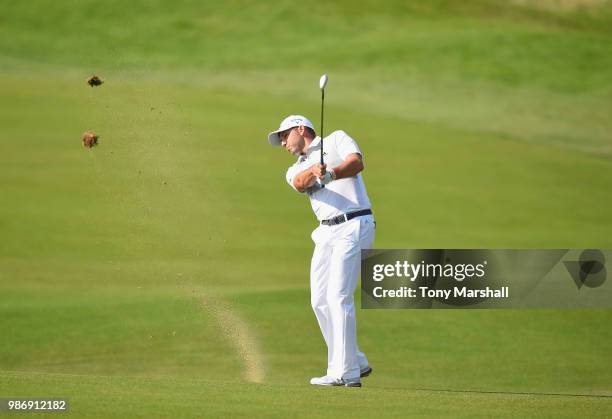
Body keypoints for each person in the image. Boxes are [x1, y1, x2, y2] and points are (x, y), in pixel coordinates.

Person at [267, 115, 375, 387]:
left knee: (338, 297)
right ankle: (355, 360)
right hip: (325, 232)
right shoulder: (294, 168)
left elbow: (357, 162)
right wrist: (316, 170)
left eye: (284, 135)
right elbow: (300, 183)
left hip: (354, 223)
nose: (282, 143)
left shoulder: (337, 138)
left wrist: (333, 172)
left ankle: (345, 373)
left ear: (300, 129)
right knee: (319, 301)